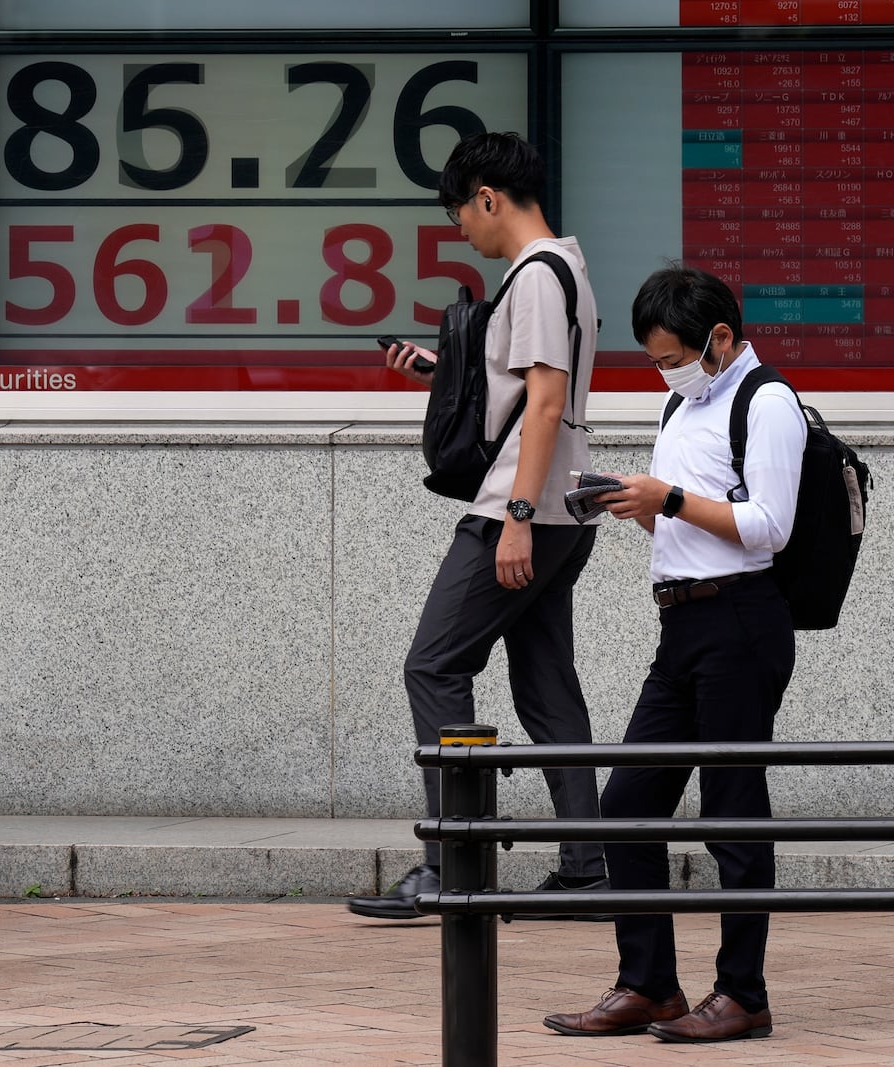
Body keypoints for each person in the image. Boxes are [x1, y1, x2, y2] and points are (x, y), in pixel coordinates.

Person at [347, 132, 607, 920]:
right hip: (567, 508)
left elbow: (548, 401)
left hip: (518, 508)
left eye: (461, 210)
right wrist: (435, 370)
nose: (462, 226)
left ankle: (454, 861)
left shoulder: (531, 276)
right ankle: (588, 867)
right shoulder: (570, 268)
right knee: (548, 686)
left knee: (433, 664)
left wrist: (517, 518)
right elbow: (520, 391)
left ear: (488, 196)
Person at [544, 267, 804, 1043]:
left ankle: (743, 994)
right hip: (681, 625)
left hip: (742, 621)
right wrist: (637, 506)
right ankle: (650, 982)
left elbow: (768, 527)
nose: (666, 371)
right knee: (627, 805)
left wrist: (668, 500)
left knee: (732, 811)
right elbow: (686, 522)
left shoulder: (769, 404)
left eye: (673, 357)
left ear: (720, 338)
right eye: (656, 360)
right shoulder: (681, 403)